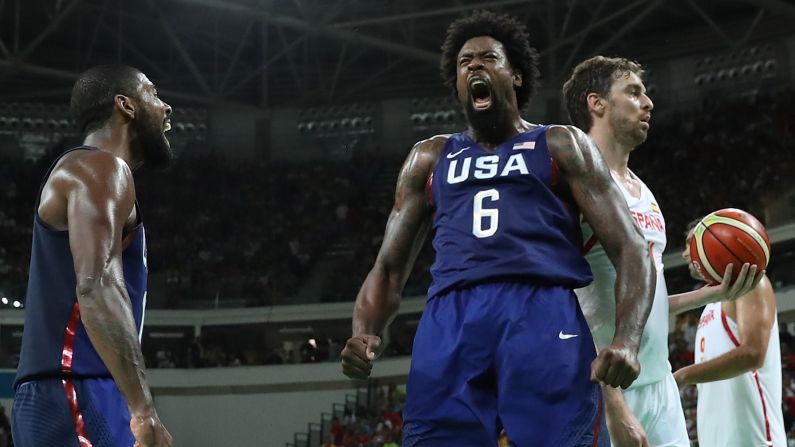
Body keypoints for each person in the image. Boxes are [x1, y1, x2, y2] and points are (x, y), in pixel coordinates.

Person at [341, 11, 656, 446]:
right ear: (456, 84)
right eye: (464, 62)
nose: (474, 65)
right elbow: (389, 269)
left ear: (516, 76)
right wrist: (364, 331)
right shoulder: (429, 158)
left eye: (488, 57)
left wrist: (627, 340)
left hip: (542, 311)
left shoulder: (560, 143)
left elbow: (631, 249)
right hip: (450, 319)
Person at [563, 56, 763, 447]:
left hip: (660, 385)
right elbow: (561, 301)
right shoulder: (574, 189)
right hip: (604, 389)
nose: (648, 102)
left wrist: (712, 295)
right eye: (633, 92)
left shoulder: (643, 190)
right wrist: (611, 398)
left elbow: (641, 302)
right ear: (596, 103)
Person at [12, 65, 174, 447]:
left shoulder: (91, 170)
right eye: (153, 93)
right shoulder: (100, 167)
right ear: (126, 106)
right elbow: (98, 284)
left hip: (69, 390)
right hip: (77, 387)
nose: (166, 107)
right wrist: (144, 409)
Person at [672, 220, 785, 446]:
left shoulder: (752, 284)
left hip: (754, 439)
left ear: (714, 242)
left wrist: (683, 375)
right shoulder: (710, 304)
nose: (685, 254)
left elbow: (753, 353)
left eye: (690, 244)